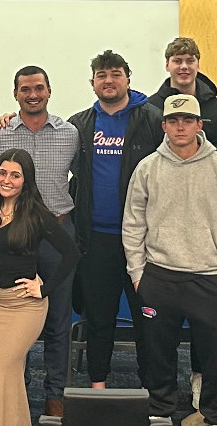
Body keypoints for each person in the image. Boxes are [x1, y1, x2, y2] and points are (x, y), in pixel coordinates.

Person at [123, 95, 217, 426]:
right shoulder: (147, 168)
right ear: (164, 125)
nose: (180, 127)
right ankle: (159, 411)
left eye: (187, 120)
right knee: (156, 353)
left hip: (209, 277)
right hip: (158, 276)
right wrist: (138, 274)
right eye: (173, 120)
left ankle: (216, 420)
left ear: (200, 125)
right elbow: (133, 225)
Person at [0, 66, 80, 416]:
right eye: (25, 89)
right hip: (14, 235)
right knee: (13, 319)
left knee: (57, 318)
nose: (33, 94)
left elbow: (80, 177)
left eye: (39, 88)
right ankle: (16, 396)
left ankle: (55, 397)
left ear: (49, 91)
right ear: (16, 94)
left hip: (56, 232)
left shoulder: (71, 133)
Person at [0, 148, 81, 426]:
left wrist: (43, 288)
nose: (7, 180)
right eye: (2, 173)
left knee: (3, 365)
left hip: (24, 308)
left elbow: (71, 253)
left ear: (26, 180)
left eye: (15, 175)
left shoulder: (35, 214)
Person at [69, 50, 162, 390]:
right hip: (95, 239)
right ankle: (97, 385)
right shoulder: (79, 124)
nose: (108, 80)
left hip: (144, 240)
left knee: (147, 317)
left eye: (115, 73)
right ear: (93, 82)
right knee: (99, 317)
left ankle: (152, 388)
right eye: (101, 75)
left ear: (127, 78)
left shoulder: (153, 120)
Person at [149, 36, 217, 146]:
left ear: (198, 65)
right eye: (177, 61)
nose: (184, 66)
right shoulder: (151, 108)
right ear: (167, 65)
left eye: (190, 61)